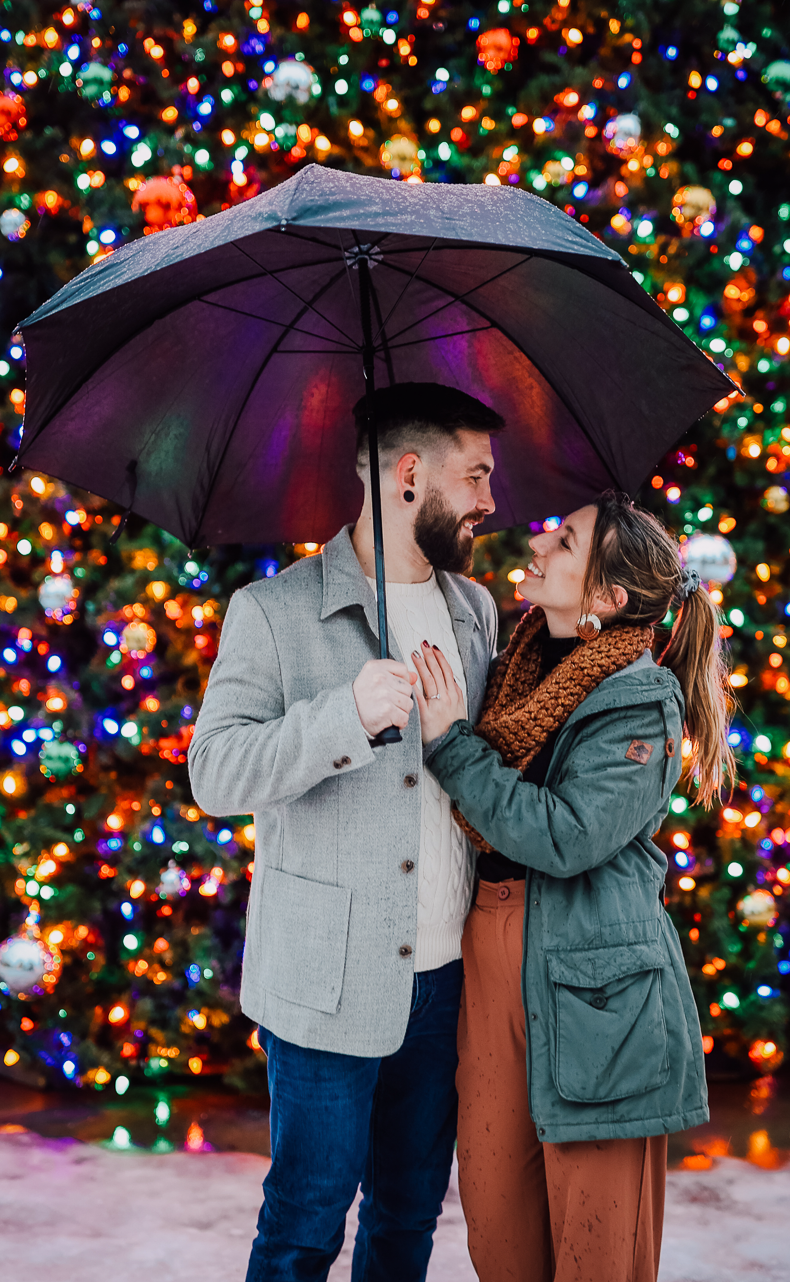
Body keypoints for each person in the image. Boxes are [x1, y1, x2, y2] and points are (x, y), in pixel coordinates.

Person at [187, 382, 506, 1282]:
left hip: (449, 982)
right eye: (475, 475)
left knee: (406, 1220)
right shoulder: (273, 613)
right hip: (325, 985)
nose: (490, 500)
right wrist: (341, 717)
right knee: (303, 1227)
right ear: (408, 476)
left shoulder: (476, 611)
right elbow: (214, 774)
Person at [412, 491, 732, 1282]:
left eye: (564, 542)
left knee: (596, 1247)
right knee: (497, 1222)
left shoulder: (639, 700)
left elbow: (564, 835)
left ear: (605, 599)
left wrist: (452, 746)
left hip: (595, 984)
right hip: (488, 957)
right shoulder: (512, 662)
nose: (539, 545)